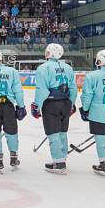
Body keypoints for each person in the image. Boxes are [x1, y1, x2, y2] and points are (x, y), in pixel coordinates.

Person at [33, 43, 77, 174]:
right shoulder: (68, 67)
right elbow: (73, 89)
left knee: (53, 133)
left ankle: (58, 163)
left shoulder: (43, 68)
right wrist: (72, 103)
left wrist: (36, 106)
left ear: (48, 53)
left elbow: (42, 90)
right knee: (62, 132)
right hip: (66, 103)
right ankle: (62, 158)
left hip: (51, 104)